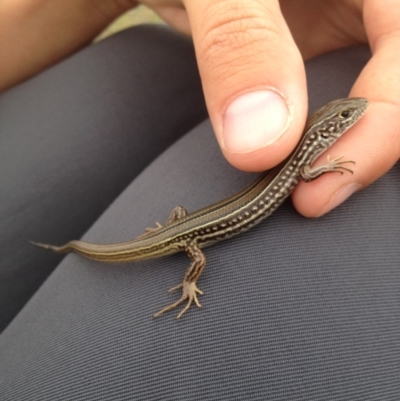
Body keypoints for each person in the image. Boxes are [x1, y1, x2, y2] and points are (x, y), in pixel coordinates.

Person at [1, 1, 399, 399]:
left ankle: (79, 245)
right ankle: (144, 267)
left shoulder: (302, 155)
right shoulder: (305, 161)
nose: (352, 117)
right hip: (190, 236)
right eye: (345, 119)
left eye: (346, 118)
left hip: (183, 226)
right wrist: (186, 278)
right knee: (200, 258)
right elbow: (308, 174)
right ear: (324, 132)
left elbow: (305, 172)